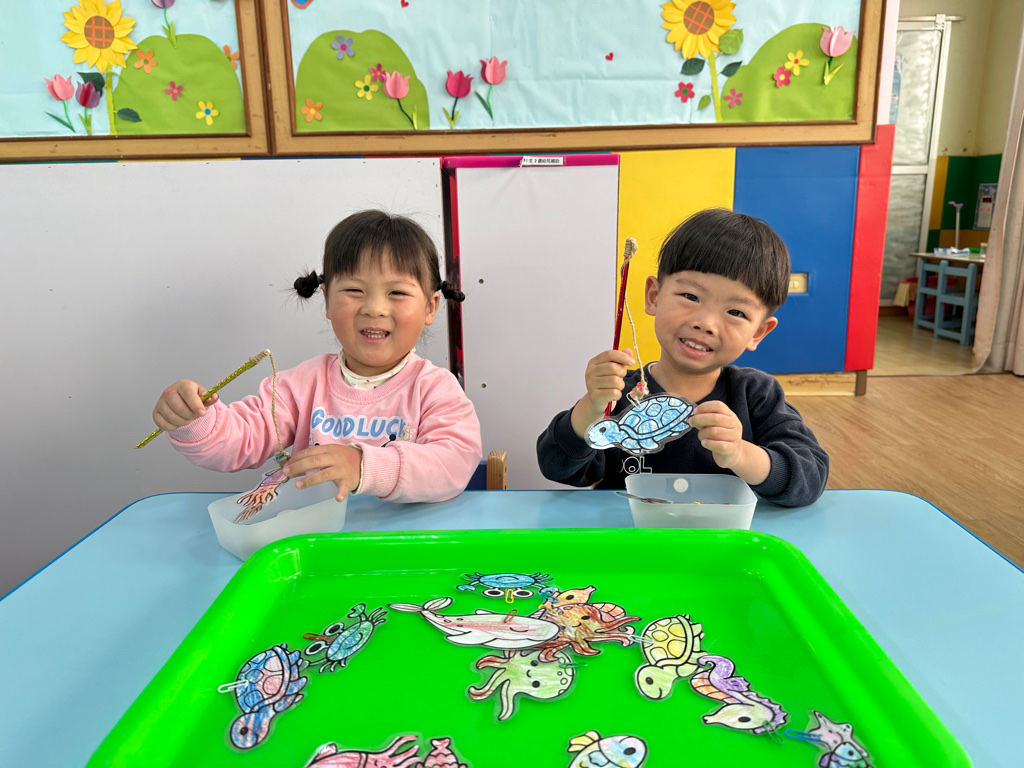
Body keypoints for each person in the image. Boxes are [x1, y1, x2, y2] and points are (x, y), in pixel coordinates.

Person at [152, 210, 482, 503]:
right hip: (314, 543)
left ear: (430, 307)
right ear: (326, 300)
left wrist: (363, 466)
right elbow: (238, 441)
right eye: (354, 290)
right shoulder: (300, 385)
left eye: (397, 292)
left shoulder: (436, 389)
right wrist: (193, 419)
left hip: (402, 545)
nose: (374, 308)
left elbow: (453, 464)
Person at [536, 208, 828, 507]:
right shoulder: (620, 392)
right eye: (691, 297)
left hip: (722, 537)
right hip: (628, 534)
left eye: (735, 312)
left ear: (758, 332)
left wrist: (741, 454)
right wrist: (591, 406)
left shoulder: (755, 394)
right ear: (654, 296)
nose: (706, 323)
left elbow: (810, 477)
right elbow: (557, 468)